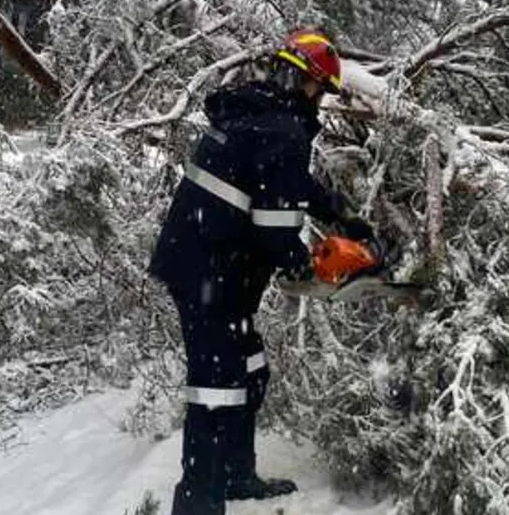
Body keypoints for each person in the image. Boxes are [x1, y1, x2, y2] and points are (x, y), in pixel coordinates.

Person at [148, 27, 375, 515]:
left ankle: (235, 477)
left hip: (214, 265)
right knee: (217, 389)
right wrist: (316, 264)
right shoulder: (282, 130)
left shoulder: (260, 113)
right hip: (207, 272)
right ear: (306, 83)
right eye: (320, 90)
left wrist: (338, 213)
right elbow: (275, 232)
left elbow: (284, 179)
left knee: (249, 370)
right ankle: (197, 505)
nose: (319, 100)